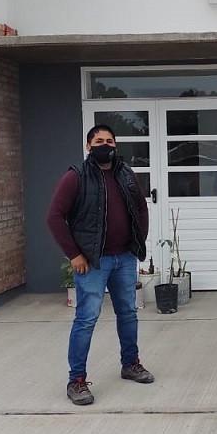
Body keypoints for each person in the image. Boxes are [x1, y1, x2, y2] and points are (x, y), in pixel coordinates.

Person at [47, 124, 154, 406]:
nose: (104, 145)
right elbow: (55, 217)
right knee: (86, 319)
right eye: (98, 141)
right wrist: (74, 254)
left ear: (115, 145)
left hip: (125, 258)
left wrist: (138, 241)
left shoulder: (126, 173)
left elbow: (141, 208)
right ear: (88, 146)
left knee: (128, 313)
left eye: (109, 141)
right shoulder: (76, 176)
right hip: (93, 262)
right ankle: (77, 380)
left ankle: (130, 364)